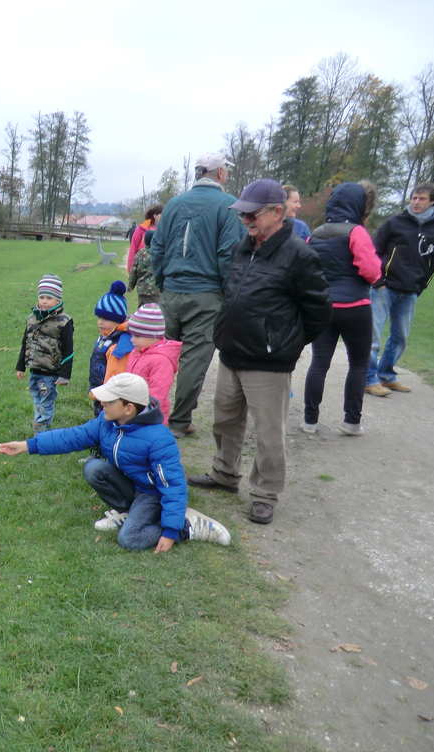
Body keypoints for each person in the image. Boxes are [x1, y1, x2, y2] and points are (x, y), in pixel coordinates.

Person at [187, 179, 330, 525]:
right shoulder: (244, 247)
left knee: (268, 433)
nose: (246, 220)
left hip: (269, 362)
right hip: (232, 352)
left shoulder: (299, 255)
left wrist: (285, 343)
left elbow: (319, 312)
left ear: (277, 212)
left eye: (252, 214)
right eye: (243, 214)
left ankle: (265, 493)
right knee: (224, 420)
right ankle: (224, 474)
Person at [0, 373, 231, 549]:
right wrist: (26, 446)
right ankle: (128, 511)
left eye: (108, 401)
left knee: (129, 540)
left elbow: (173, 485)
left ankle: (186, 525)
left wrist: (169, 532)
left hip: (151, 494)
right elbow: (72, 437)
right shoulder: (107, 422)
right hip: (131, 486)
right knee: (94, 468)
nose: (101, 404)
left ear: (128, 408)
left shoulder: (159, 439)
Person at [149, 152, 245, 439]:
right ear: (220, 174)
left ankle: (150, 414)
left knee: (159, 356)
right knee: (194, 359)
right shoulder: (229, 206)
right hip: (206, 295)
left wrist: (163, 281)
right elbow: (229, 254)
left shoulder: (175, 204)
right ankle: (178, 421)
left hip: (171, 291)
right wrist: (229, 293)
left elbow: (157, 248)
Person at [302, 181, 382, 436]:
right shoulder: (357, 232)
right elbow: (371, 272)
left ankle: (310, 420)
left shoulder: (315, 233)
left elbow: (308, 269)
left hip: (325, 307)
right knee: (358, 364)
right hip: (356, 306)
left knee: (319, 363)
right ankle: (351, 421)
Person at [365, 182, 434, 397]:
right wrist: (378, 280)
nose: (416, 202)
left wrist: (420, 286)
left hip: (410, 290)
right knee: (373, 336)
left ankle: (387, 376)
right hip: (384, 288)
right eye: (414, 198)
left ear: (433, 202)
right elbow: (372, 251)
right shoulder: (394, 223)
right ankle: (369, 378)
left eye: (422, 199)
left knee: (400, 338)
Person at [16, 274, 73, 431]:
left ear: (58, 300)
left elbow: (69, 350)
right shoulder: (31, 319)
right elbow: (24, 343)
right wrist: (21, 367)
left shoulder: (64, 321)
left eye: (49, 297)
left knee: (46, 400)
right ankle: (40, 422)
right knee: (37, 399)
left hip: (50, 372)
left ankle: (41, 431)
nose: (45, 301)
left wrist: (65, 375)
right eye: (42, 297)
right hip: (34, 370)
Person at [125, 303, 182, 425]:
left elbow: (158, 394)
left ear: (154, 336)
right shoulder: (137, 352)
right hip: (132, 410)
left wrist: (140, 412)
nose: (132, 340)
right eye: (132, 334)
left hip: (151, 417)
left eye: (137, 336)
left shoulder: (161, 361)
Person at [88, 281, 131, 416]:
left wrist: (107, 392)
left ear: (118, 320)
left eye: (106, 319)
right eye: (99, 317)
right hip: (99, 389)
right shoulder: (105, 336)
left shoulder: (120, 343)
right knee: (99, 417)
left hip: (110, 394)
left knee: (109, 419)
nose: (100, 322)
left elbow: (117, 372)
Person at [127, 229, 160, 307]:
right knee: (157, 313)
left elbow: (133, 272)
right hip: (157, 290)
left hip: (143, 290)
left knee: (142, 312)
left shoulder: (140, 254)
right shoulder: (160, 254)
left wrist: (130, 286)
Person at [126, 204, 162, 273]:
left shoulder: (164, 229)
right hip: (142, 268)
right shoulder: (141, 229)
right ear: (155, 216)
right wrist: (130, 268)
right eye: (162, 214)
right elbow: (133, 248)